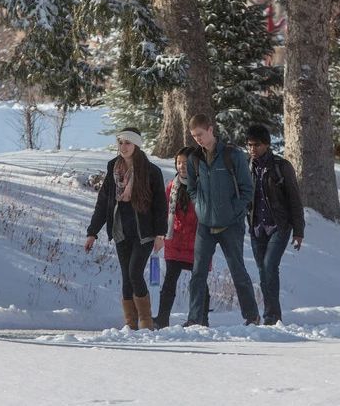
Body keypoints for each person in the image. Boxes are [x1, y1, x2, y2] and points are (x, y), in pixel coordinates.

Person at [85, 128, 168, 330]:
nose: (123, 147)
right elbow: (103, 202)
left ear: (136, 145)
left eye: (127, 143)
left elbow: (160, 206)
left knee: (134, 272)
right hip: (121, 230)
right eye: (120, 143)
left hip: (144, 233)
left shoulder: (151, 171)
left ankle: (146, 321)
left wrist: (160, 234)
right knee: (126, 275)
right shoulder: (113, 168)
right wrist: (92, 232)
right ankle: (130, 323)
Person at [184, 114, 260, 327]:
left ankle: (252, 316)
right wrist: (199, 207)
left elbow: (247, 190)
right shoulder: (194, 159)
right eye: (193, 136)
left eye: (200, 134)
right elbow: (191, 189)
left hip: (231, 224)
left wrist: (235, 211)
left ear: (210, 129)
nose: (197, 139)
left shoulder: (232, 155)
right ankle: (194, 318)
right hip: (205, 224)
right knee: (198, 272)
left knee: (237, 270)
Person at [245, 124, 305, 325]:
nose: (252, 149)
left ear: (267, 145)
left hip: (278, 226)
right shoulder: (247, 166)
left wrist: (299, 230)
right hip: (256, 227)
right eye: (249, 145)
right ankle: (270, 313)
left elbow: (294, 199)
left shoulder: (281, 166)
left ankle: (272, 316)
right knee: (263, 271)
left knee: (270, 266)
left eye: (257, 145)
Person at [153, 147, 208, 329]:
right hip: (175, 242)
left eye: (186, 163)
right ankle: (162, 319)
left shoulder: (204, 184)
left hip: (197, 243)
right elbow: (162, 212)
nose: (182, 166)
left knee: (199, 284)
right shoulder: (172, 186)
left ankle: (202, 320)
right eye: (179, 163)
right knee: (169, 283)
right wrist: (160, 234)